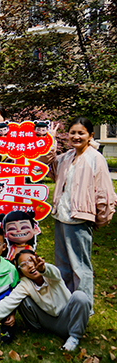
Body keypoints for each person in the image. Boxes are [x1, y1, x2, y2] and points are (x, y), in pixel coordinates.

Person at [44, 117, 117, 306]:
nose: (76, 136)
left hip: (79, 219)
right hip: (61, 216)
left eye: (81, 133)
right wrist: (50, 141)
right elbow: (48, 167)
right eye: (73, 133)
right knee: (62, 265)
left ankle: (83, 307)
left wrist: (100, 219)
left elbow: (105, 192)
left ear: (90, 135)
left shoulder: (95, 158)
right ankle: (67, 303)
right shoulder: (67, 157)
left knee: (80, 266)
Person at [0, 250, 91, 351]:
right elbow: (7, 303)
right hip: (46, 323)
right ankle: (38, 331)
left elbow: (53, 272)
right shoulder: (25, 284)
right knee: (22, 300)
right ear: (20, 272)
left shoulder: (51, 274)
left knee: (80, 296)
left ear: (38, 259)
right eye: (23, 264)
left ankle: (74, 337)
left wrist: (43, 269)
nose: (29, 266)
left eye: (31, 260)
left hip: (67, 319)